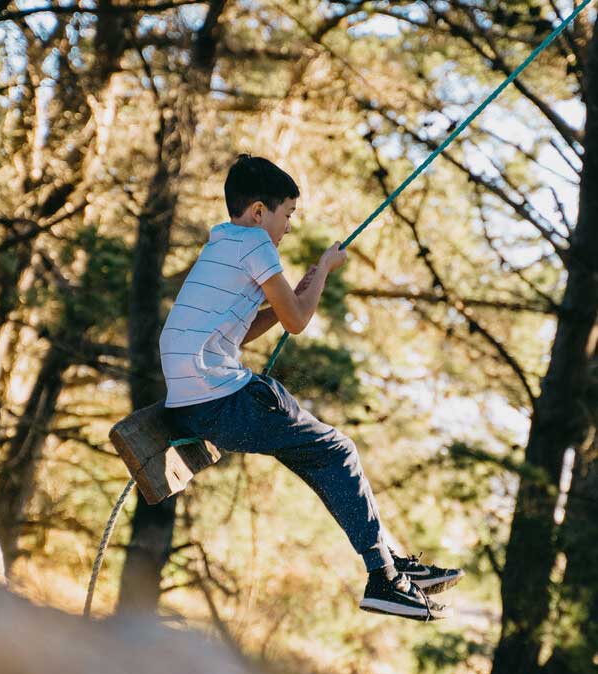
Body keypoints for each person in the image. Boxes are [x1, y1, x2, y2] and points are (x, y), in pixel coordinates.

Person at [160, 154, 463, 621]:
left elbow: (241, 332)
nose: (287, 227)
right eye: (287, 215)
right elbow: (298, 322)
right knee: (337, 450)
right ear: (260, 212)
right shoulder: (257, 246)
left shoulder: (220, 244)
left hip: (197, 402)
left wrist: (295, 294)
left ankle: (388, 561)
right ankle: (384, 577)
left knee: (321, 455)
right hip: (219, 403)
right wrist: (323, 271)